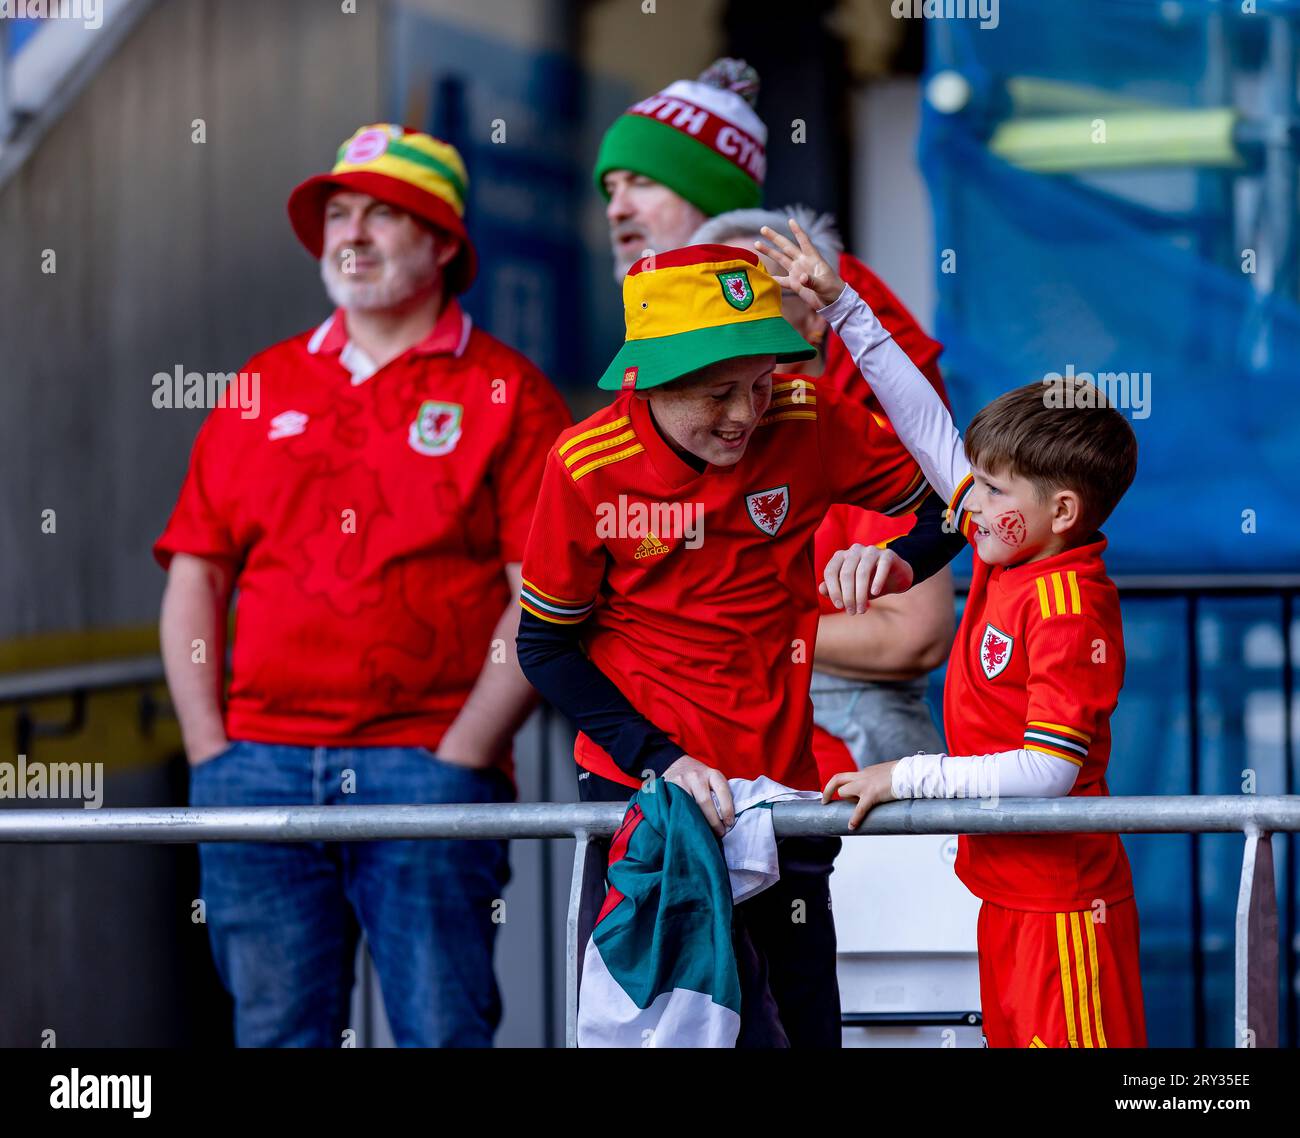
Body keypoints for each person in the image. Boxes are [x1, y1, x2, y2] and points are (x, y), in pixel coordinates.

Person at [155, 124, 571, 1047]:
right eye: (339, 213)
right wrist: (210, 752)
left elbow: (540, 594)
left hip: (425, 767)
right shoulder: (261, 384)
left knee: (441, 1034)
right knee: (275, 1036)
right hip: (254, 768)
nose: (352, 233)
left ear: (445, 245)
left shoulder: (509, 393)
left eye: (385, 215)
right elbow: (197, 569)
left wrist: (461, 755)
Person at [515, 243, 944, 1047]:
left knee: (805, 1023)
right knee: (661, 1034)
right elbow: (543, 646)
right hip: (645, 797)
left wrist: (897, 560)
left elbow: (953, 502)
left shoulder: (805, 414)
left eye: (758, 382)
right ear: (647, 380)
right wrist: (659, 759)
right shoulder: (585, 466)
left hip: (784, 786)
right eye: (719, 392)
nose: (747, 412)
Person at [757, 221, 1146, 1048]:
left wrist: (905, 775)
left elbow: (1047, 772)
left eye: (991, 486)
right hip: (1009, 895)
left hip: (1065, 908)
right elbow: (927, 426)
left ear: (1061, 512)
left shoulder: (1070, 605)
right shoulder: (1017, 540)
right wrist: (843, 305)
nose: (965, 502)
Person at [596, 60, 954, 780]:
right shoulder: (625, 400)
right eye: (610, 189)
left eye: (643, 182)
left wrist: (702, 628)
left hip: (830, 757)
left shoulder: (847, 376)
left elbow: (913, 629)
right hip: (671, 750)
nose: (616, 210)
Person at [691, 206, 954, 778]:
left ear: (816, 319)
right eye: (714, 306)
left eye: (764, 297)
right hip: (707, 776)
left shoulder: (854, 436)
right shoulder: (652, 449)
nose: (739, 329)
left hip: (847, 793)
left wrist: (723, 629)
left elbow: (912, 636)